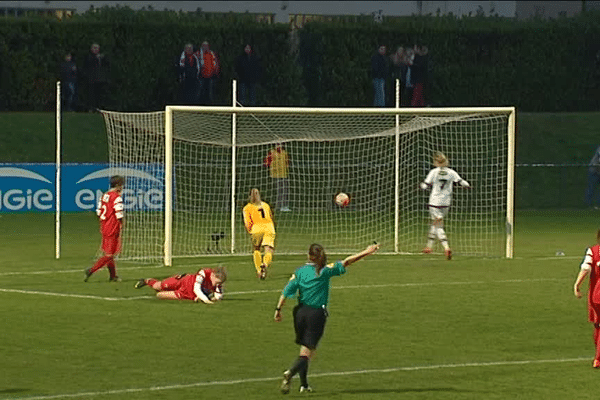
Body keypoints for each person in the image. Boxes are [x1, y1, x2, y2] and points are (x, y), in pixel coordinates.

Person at [274, 242, 380, 394]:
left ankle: (304, 385)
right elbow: (347, 261)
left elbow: (286, 291)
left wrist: (278, 309)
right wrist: (367, 251)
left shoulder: (300, 272)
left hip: (300, 313)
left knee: (304, 349)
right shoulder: (324, 271)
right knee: (308, 352)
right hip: (315, 314)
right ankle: (290, 372)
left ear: (308, 256)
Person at [419, 152, 470, 260]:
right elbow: (462, 182)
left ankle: (446, 248)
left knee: (438, 225)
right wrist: (467, 185)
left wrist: (422, 186)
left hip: (435, 202)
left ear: (436, 162)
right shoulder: (451, 172)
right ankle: (429, 246)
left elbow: (425, 185)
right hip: (446, 203)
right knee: (436, 222)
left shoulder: (434, 172)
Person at [85, 175, 125, 282]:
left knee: (109, 253)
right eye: (121, 185)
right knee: (109, 255)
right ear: (117, 186)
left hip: (104, 226)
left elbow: (98, 211)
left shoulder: (104, 195)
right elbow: (119, 215)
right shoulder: (116, 197)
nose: (122, 187)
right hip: (113, 228)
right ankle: (91, 270)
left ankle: (113, 276)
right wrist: (121, 224)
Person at [573, 229, 600, 368]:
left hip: (595, 297)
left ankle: (597, 356)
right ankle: (598, 358)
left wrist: (577, 285)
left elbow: (585, 269)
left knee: (597, 326)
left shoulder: (593, 251)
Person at [134, 265, 227, 304]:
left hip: (186, 294)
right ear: (213, 275)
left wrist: (215, 297)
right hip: (182, 281)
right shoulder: (204, 272)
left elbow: (219, 295)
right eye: (217, 282)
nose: (216, 284)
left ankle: (161, 290)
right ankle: (147, 281)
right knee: (159, 286)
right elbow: (196, 288)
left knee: (159, 295)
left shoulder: (217, 282)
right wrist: (206, 300)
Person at [242, 188, 275, 280]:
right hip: (269, 227)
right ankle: (265, 264)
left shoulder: (247, 207)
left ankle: (259, 270)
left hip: (256, 228)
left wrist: (250, 231)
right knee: (268, 249)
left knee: (256, 249)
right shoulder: (265, 205)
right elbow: (271, 217)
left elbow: (247, 222)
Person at [82, 43, 110, 112]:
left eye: (97, 48)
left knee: (99, 95)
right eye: (94, 48)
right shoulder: (89, 57)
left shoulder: (102, 57)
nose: (95, 50)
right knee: (91, 95)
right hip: (91, 79)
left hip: (100, 79)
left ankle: (99, 108)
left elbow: (106, 66)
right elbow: (87, 66)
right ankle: (91, 108)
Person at [263, 143, 290, 212]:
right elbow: (266, 162)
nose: (278, 146)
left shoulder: (284, 153)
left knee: (284, 190)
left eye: (280, 145)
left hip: (284, 175)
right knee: (278, 191)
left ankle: (284, 206)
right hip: (275, 175)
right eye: (277, 145)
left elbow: (287, 163)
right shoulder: (272, 152)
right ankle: (278, 206)